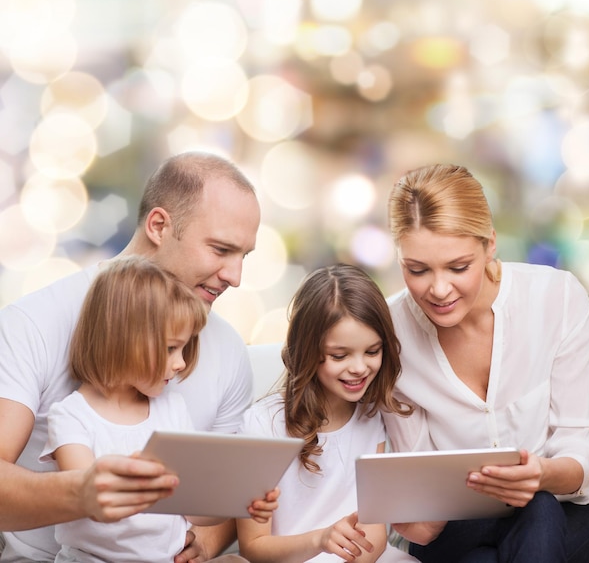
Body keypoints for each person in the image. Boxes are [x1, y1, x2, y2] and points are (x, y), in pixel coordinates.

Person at [0, 151, 262, 562]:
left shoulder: (227, 350)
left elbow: (216, 493)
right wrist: (83, 492)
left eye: (243, 256)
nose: (235, 276)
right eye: (220, 249)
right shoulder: (32, 323)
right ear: (159, 225)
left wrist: (206, 544)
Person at [383, 163, 589, 562]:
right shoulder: (391, 332)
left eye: (458, 267)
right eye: (417, 270)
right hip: (458, 524)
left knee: (537, 508)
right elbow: (417, 492)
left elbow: (581, 446)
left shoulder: (555, 298)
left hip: (569, 509)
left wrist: (541, 475)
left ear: (490, 244)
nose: (438, 290)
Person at [40, 256, 274, 562]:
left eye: (184, 347)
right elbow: (93, 504)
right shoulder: (71, 417)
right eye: (170, 349)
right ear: (122, 340)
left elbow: (194, 511)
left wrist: (238, 502)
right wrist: (147, 484)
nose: (181, 363)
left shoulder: (172, 409)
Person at [236, 263, 416, 562]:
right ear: (307, 350)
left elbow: (374, 534)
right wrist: (321, 539)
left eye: (372, 351)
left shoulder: (372, 417)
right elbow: (254, 546)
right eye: (339, 355)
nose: (359, 367)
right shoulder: (261, 425)